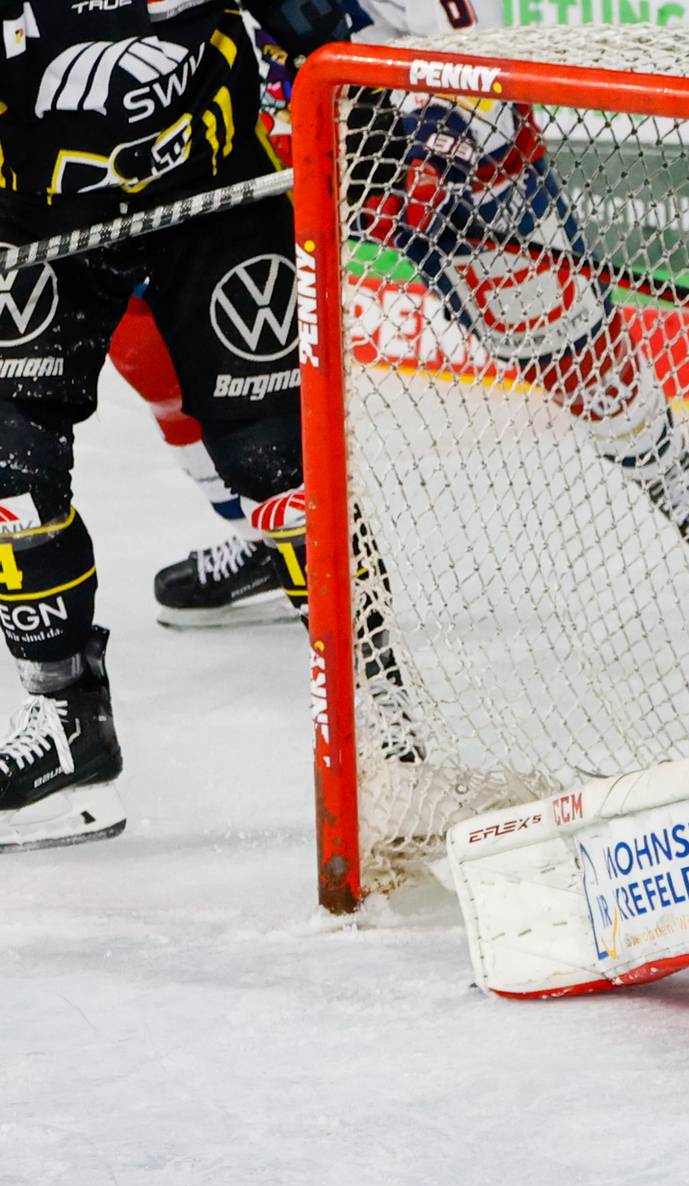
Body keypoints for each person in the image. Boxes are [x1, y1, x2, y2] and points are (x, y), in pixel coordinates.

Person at [112, 4, 689, 631]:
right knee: (152, 337)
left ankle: (659, 462)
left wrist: (434, 156)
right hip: (255, 134)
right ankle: (264, 537)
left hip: (428, 131)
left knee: (553, 329)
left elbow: (469, 49)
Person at [0, 0, 354, 848]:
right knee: (10, 464)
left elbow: (320, 23)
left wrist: (358, 88)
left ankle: (373, 711)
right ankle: (68, 727)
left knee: (279, 462)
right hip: (39, 216)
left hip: (217, 194)